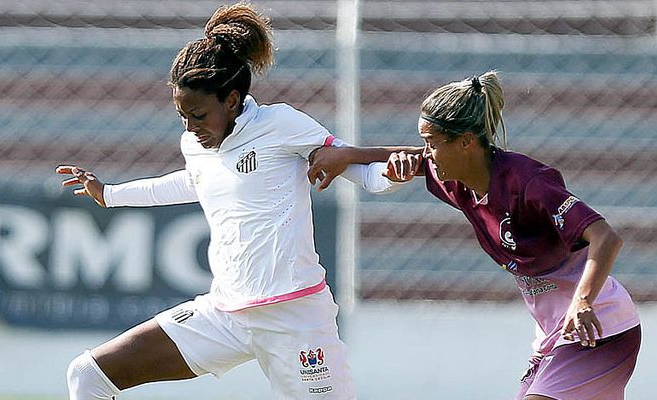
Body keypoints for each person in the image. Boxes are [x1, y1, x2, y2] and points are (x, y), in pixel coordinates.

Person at [56, 3, 400, 399]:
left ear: (232, 100)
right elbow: (195, 182)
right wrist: (110, 194)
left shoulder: (280, 125)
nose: (190, 127)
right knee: (87, 374)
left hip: (295, 319)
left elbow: (364, 173)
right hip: (224, 315)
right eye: (183, 116)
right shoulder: (196, 145)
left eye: (199, 115)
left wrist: (395, 173)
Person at [308, 71, 641, 400]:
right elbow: (412, 159)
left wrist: (582, 302)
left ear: (466, 141)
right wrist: (348, 155)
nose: (425, 153)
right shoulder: (457, 181)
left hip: (597, 327)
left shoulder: (529, 183)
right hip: (553, 336)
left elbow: (606, 238)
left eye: (432, 143)